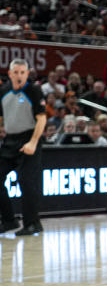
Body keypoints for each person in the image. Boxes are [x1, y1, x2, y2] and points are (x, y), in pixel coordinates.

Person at [0, 59, 47, 235]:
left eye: (22, 72)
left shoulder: (33, 91)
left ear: (27, 74)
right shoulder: (3, 91)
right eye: (16, 72)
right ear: (10, 73)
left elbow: (42, 118)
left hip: (29, 138)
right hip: (10, 140)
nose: (19, 76)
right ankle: (8, 220)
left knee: (26, 181)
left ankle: (33, 223)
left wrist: (33, 142)